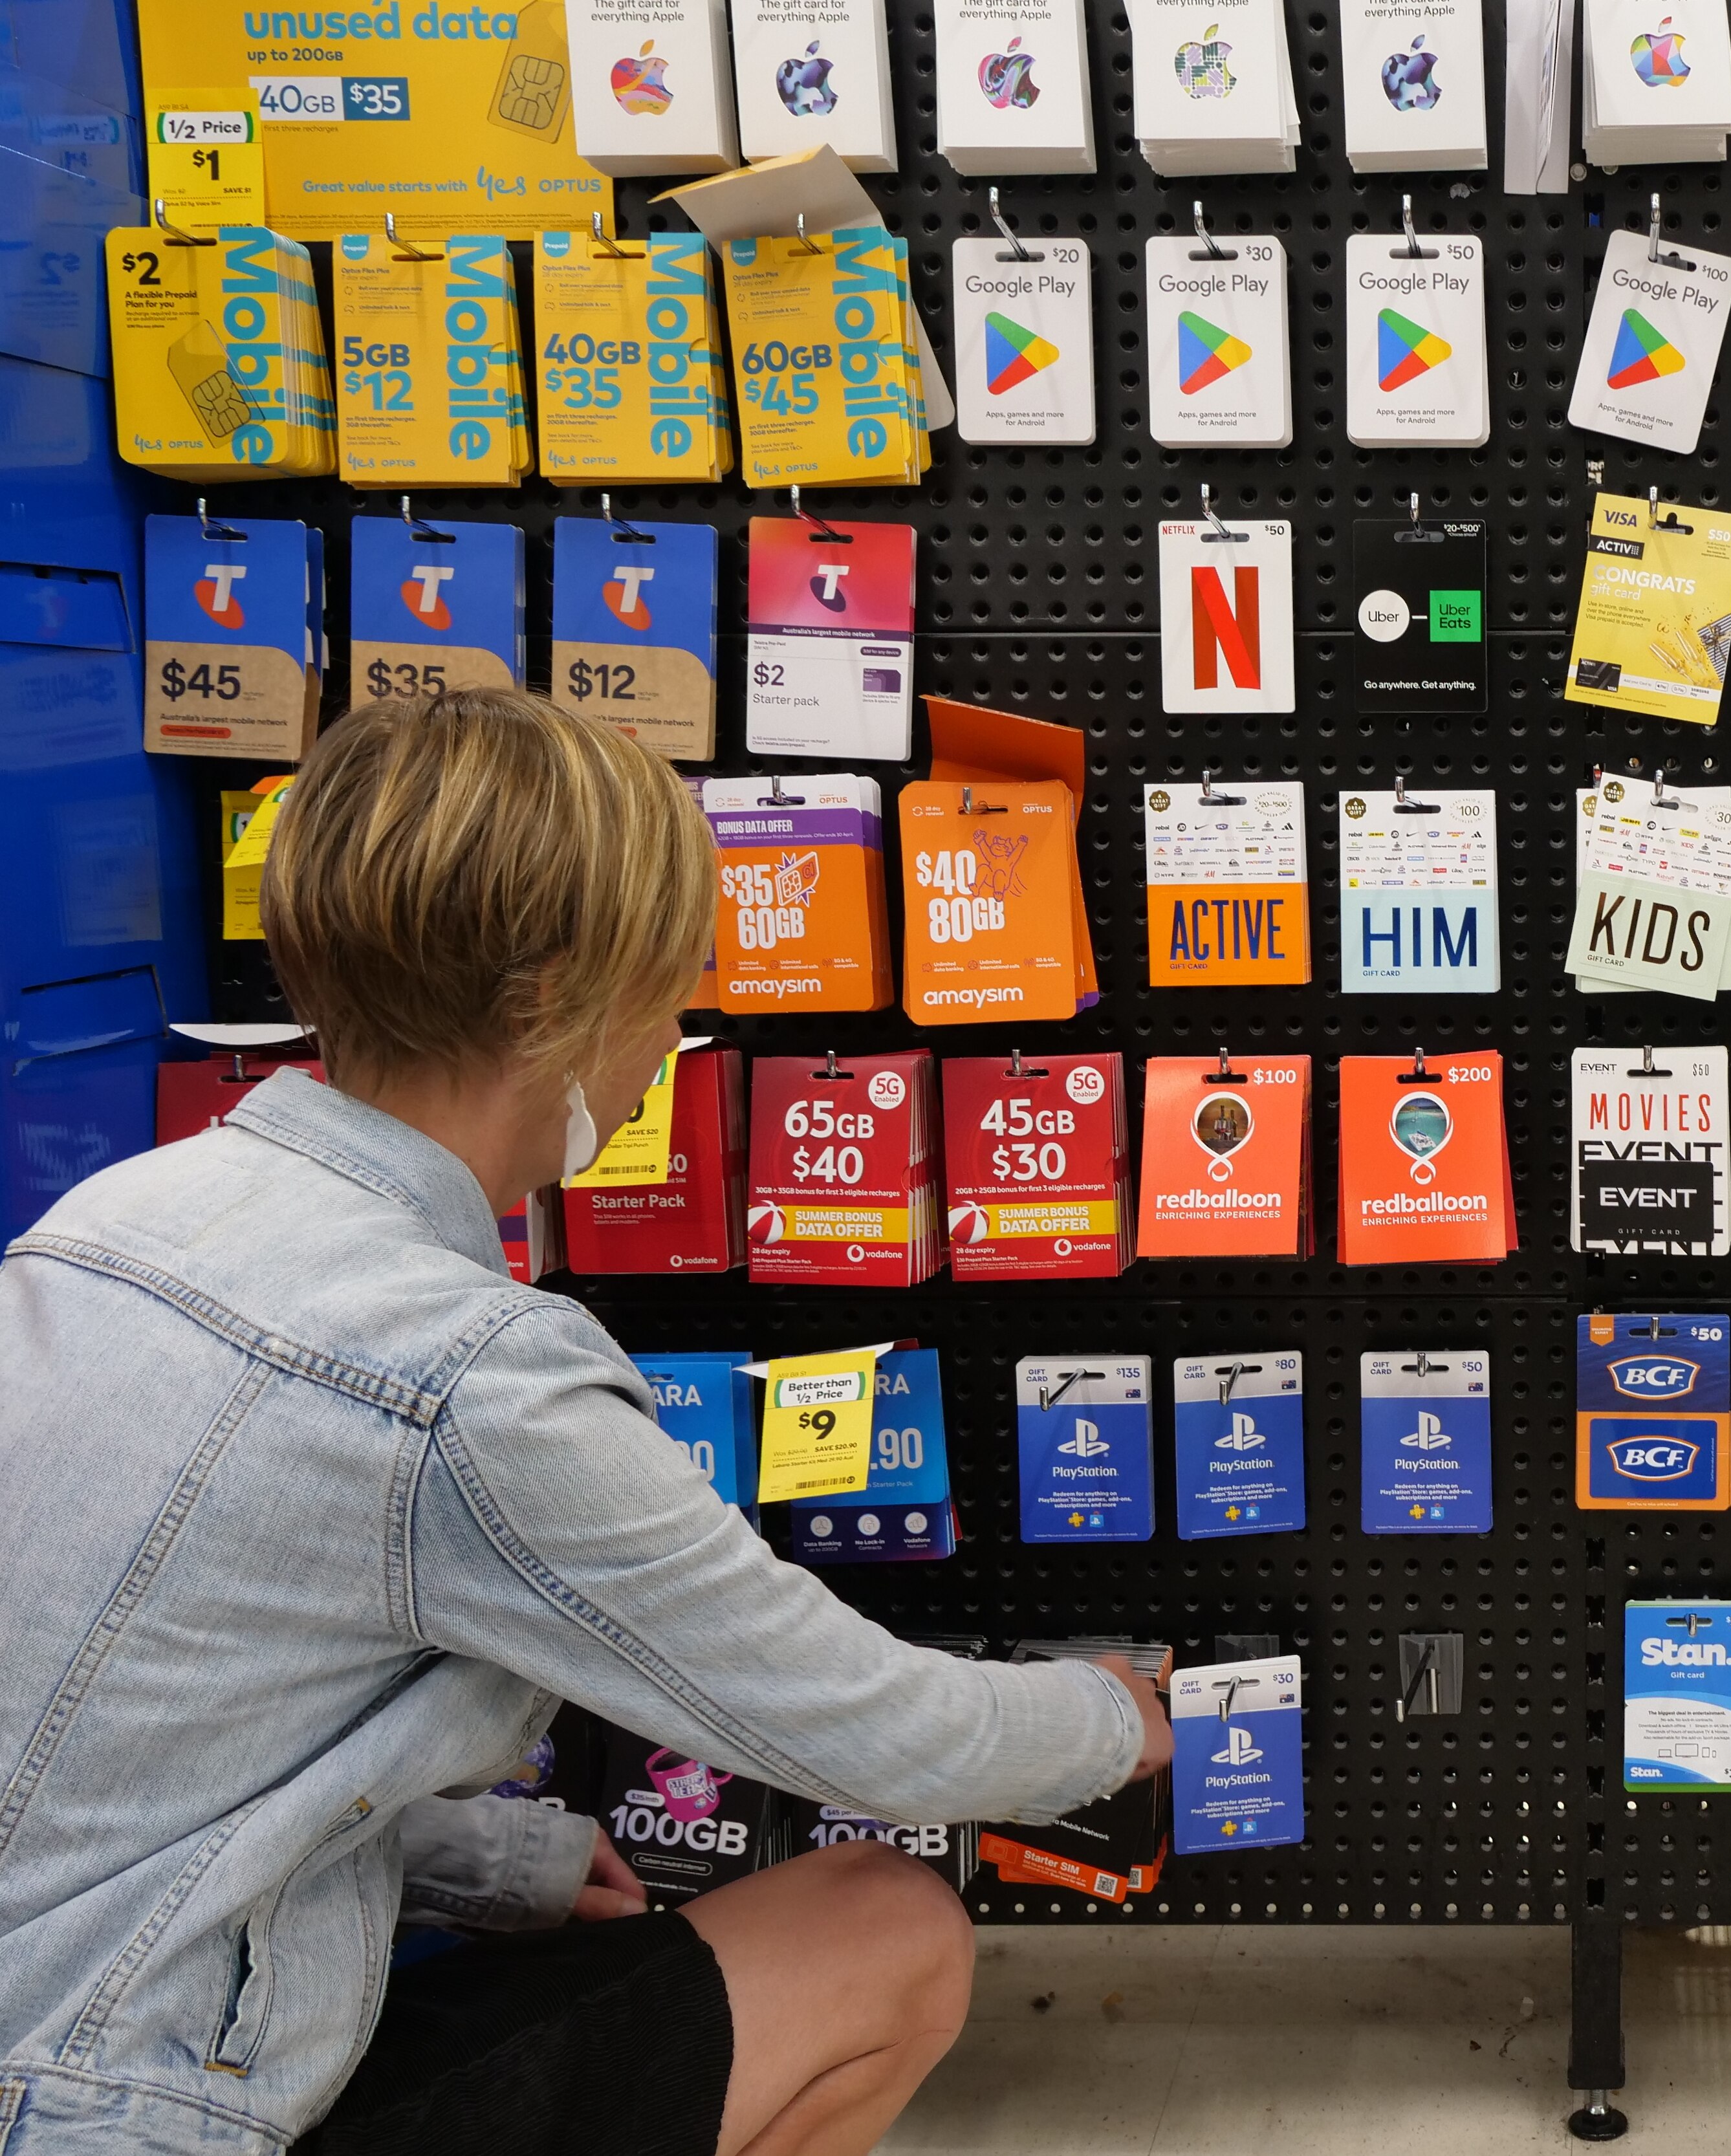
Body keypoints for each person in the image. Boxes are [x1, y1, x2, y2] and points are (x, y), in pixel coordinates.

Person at [0, 689, 1168, 2156]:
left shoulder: (106, 1220)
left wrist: (488, 1862)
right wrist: (1110, 1720)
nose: (672, 1041)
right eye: (669, 993)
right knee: (891, 1929)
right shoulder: (468, 1371)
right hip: (129, 2111)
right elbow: (869, 1727)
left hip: (62, 2034)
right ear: (553, 998)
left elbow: (132, 1752)